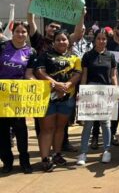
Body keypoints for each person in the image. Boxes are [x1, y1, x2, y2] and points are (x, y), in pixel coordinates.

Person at [35, 29, 82, 172]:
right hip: (47, 98)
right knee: (46, 129)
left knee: (60, 128)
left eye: (64, 39)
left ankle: (57, 154)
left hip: (67, 98)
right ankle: (44, 159)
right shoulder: (44, 55)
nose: (61, 42)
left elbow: (78, 73)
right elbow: (39, 72)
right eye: (58, 40)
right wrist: (55, 84)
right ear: (54, 42)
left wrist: (68, 85)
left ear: (68, 41)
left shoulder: (75, 57)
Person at [76, 29, 119, 166]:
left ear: (107, 40)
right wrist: (80, 91)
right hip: (90, 90)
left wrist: (116, 90)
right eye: (99, 38)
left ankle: (106, 151)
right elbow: (84, 75)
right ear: (94, 40)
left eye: (104, 39)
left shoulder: (110, 56)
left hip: (106, 91)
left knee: (105, 123)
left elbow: (113, 75)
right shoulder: (88, 56)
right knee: (88, 123)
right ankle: (83, 153)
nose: (101, 41)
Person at [0, 22, 36, 174]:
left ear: (27, 34)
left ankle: (25, 161)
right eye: (17, 31)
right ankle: (7, 162)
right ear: (12, 32)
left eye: (23, 32)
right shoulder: (2, 47)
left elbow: (28, 75)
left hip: (19, 97)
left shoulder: (31, 52)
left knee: (21, 130)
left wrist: (38, 85)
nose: (20, 34)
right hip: (1, 96)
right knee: (2, 132)